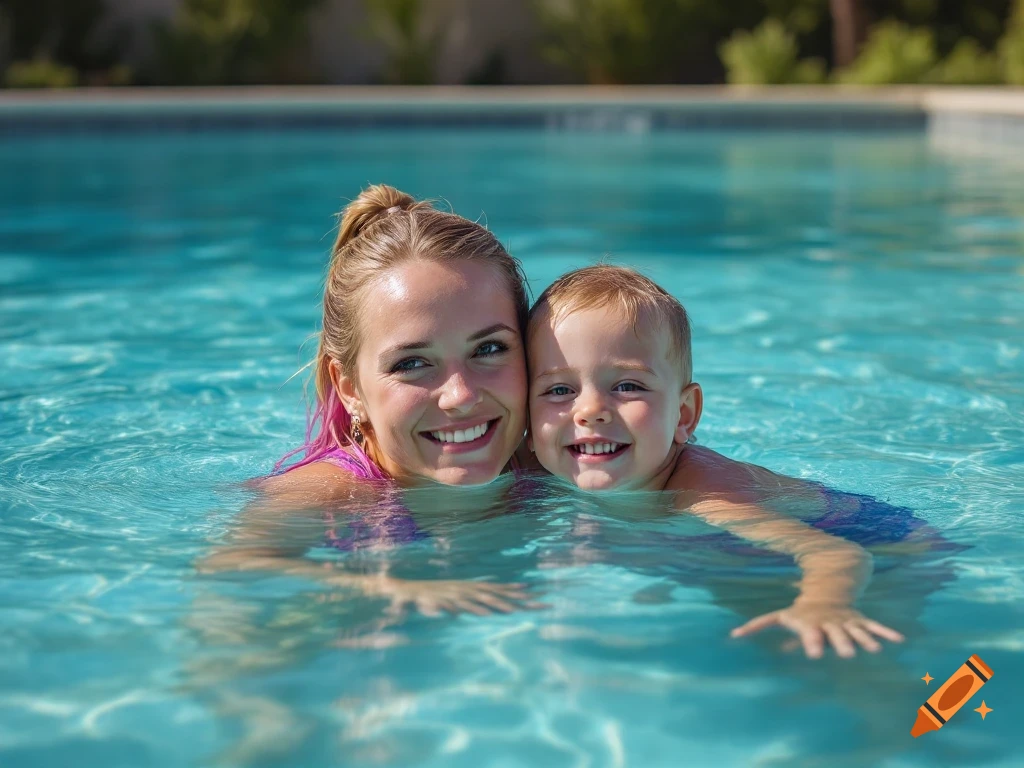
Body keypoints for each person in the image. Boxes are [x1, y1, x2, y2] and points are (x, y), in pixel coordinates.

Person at [525, 264, 906, 658]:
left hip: (881, 542)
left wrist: (823, 605)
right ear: (529, 424)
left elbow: (835, 553)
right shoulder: (547, 463)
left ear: (684, 414)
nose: (590, 411)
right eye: (559, 390)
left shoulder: (705, 495)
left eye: (627, 386)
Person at [201, 184, 536, 615]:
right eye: (411, 363)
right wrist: (389, 589)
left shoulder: (546, 463)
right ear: (349, 389)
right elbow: (230, 569)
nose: (461, 396)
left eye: (489, 349)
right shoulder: (331, 494)